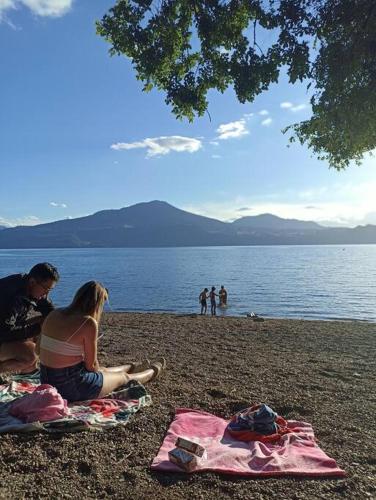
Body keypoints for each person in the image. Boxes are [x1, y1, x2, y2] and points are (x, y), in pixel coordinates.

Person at [38, 281, 165, 402]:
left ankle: (133, 366)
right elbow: (91, 366)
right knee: (122, 378)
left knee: (102, 371)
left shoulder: (54, 314)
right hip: (70, 387)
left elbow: (37, 350)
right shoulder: (87, 322)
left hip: (46, 380)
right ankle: (153, 372)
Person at [0, 263, 59, 374]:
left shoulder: (33, 288)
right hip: (3, 332)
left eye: (50, 290)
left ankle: (25, 367)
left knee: (47, 321)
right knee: (31, 355)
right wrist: (38, 328)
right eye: (46, 289)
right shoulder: (10, 295)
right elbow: (5, 332)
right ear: (32, 282)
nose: (47, 293)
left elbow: (51, 313)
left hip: (6, 330)